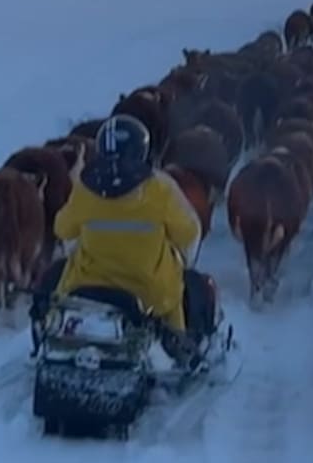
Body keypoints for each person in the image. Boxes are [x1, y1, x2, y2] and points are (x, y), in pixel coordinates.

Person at [44, 113, 215, 355]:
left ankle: (51, 333)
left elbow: (62, 228)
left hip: (86, 287)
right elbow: (189, 232)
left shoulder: (85, 187)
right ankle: (177, 347)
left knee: (58, 285)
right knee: (176, 291)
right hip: (149, 294)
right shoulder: (160, 188)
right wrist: (182, 259)